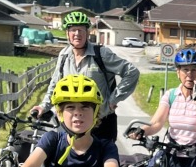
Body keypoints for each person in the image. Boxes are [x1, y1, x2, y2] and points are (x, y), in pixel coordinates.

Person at [32, 10, 140, 143]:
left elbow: (132, 72)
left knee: (104, 161)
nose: (77, 34)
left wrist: (113, 100)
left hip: (101, 122)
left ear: (88, 33)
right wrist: (44, 106)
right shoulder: (64, 55)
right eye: (73, 30)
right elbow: (55, 84)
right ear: (67, 33)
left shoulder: (101, 54)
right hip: (73, 123)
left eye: (81, 30)